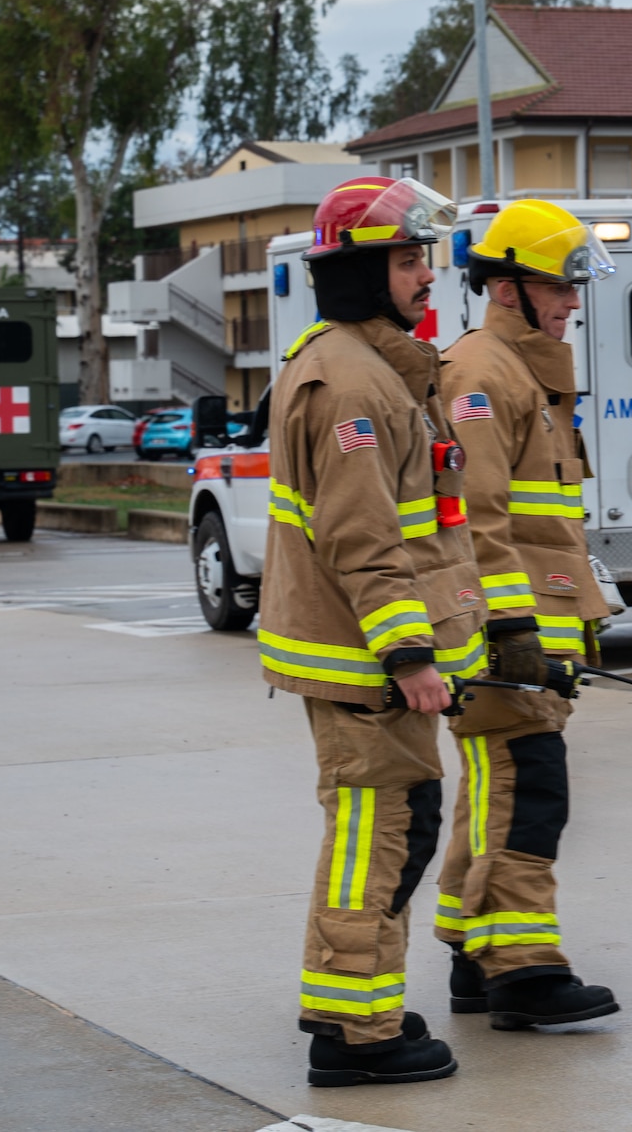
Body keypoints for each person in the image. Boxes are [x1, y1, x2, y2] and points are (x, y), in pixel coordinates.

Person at [258, 177, 485, 1087]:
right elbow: (362, 535)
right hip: (365, 664)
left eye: (423, 257)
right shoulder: (350, 382)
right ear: (357, 274)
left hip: (370, 661)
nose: (425, 276)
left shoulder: (371, 365)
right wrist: (410, 653)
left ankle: (350, 1002)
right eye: (405, 260)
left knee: (397, 823)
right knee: (376, 832)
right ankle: (358, 1034)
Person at [432, 199, 621, 1030]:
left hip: (533, 637)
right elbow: (476, 521)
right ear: (507, 288)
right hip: (506, 641)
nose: (572, 301)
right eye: (561, 285)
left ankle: (476, 953)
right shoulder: (483, 373)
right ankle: (524, 970)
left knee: (498, 790)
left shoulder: (529, 376)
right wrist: (506, 631)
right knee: (526, 790)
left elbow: (546, 527)